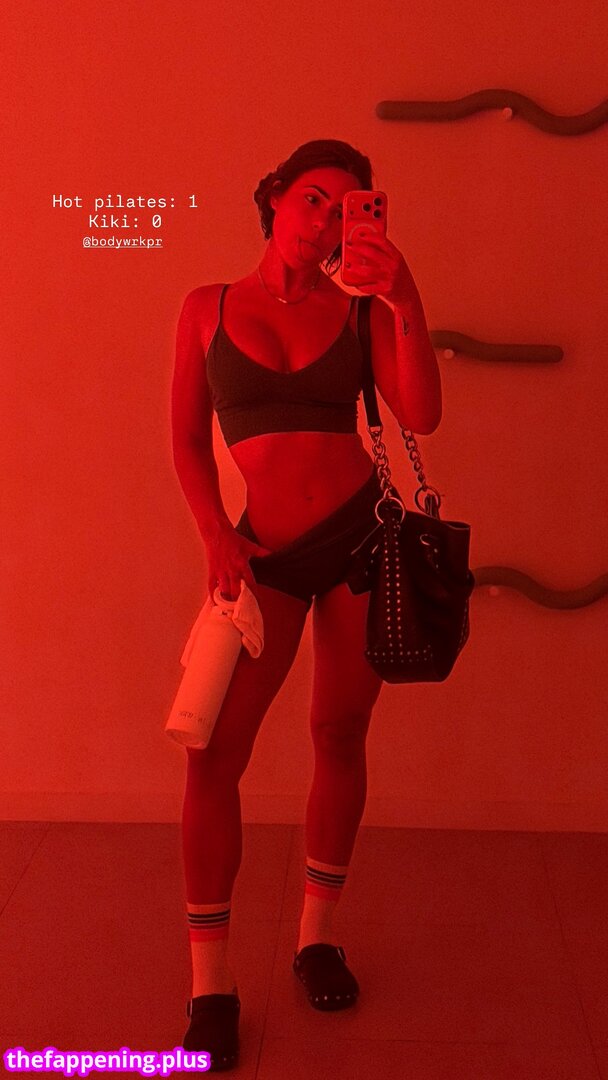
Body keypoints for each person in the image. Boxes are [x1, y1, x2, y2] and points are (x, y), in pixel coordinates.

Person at [171, 139, 442, 1070]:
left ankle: (317, 938)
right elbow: (185, 442)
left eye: (347, 207)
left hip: (361, 542)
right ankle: (211, 986)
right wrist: (215, 533)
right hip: (265, 557)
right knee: (213, 755)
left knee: (339, 732)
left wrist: (405, 299)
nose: (325, 220)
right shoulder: (205, 307)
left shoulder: (360, 310)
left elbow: (422, 414)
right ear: (277, 195)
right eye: (314, 198)